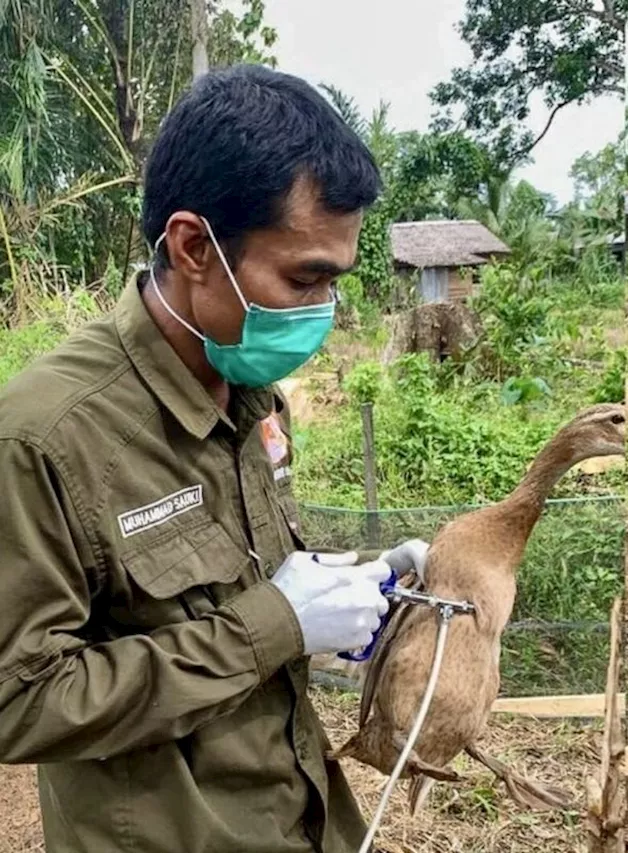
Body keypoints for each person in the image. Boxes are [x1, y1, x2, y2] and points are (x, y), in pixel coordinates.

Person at [0, 64, 429, 852]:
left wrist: (345, 590)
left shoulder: (252, 392)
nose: (324, 313)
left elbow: (234, 583)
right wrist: (274, 623)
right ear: (194, 245)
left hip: (298, 818)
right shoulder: (46, 438)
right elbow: (17, 698)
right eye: (305, 279)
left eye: (335, 283)